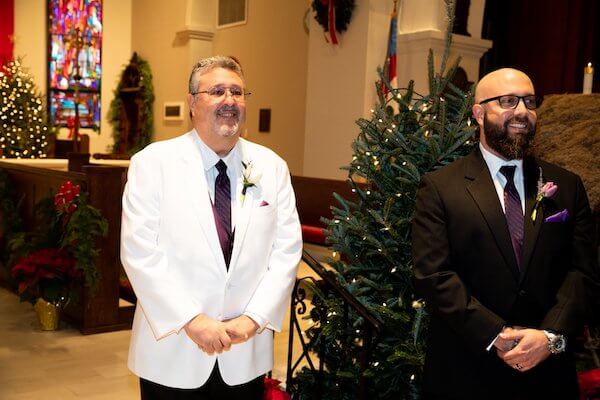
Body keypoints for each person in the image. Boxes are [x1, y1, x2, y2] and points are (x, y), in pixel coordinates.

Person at [121, 55, 302, 399]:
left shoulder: (272, 167)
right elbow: (139, 252)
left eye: (237, 92)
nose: (229, 101)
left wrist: (254, 317)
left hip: (243, 350)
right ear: (192, 102)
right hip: (173, 350)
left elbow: (287, 251)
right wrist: (192, 319)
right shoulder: (152, 164)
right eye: (217, 91)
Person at [412, 68, 598, 400]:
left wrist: (549, 336)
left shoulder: (567, 186)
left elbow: (582, 271)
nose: (523, 111)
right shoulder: (441, 188)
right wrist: (496, 334)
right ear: (479, 114)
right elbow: (434, 275)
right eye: (509, 101)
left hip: (548, 374)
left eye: (529, 101)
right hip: (467, 370)